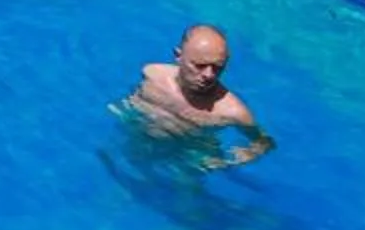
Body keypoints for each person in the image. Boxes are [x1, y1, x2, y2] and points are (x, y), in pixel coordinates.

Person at [117, 24, 274, 171]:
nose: (208, 75)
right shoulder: (153, 75)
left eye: (217, 67)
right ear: (178, 56)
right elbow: (134, 100)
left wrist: (246, 155)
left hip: (191, 156)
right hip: (143, 139)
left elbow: (265, 142)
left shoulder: (233, 112)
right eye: (199, 66)